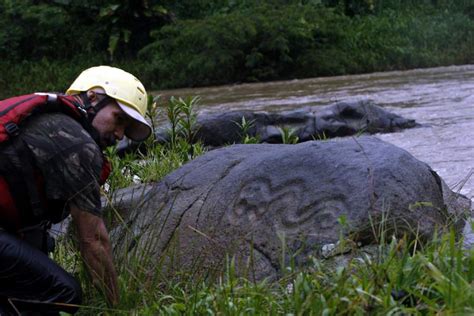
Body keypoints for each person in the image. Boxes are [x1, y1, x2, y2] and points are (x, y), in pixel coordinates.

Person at [0, 66, 152, 315]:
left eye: (126, 128)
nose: (120, 134)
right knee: (63, 293)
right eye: (119, 119)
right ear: (92, 97)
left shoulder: (47, 119)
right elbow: (93, 241)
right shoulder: (76, 144)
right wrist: (118, 308)